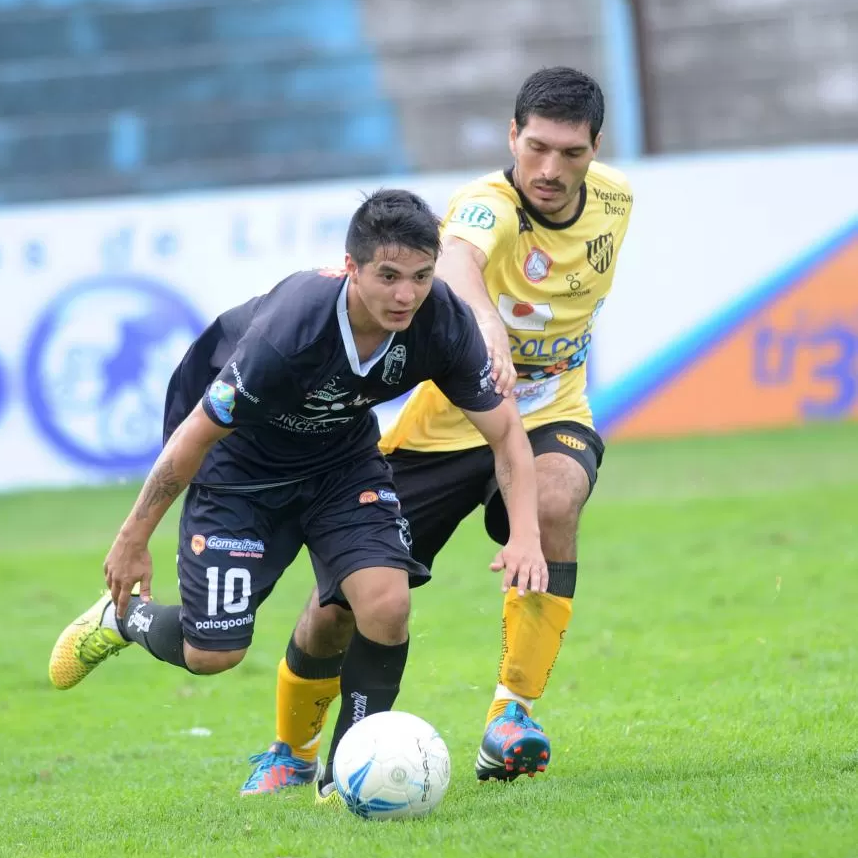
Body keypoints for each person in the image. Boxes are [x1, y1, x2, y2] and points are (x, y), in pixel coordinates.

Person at [48, 189, 548, 799]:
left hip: (341, 465)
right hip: (239, 470)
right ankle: (122, 620)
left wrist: (525, 534)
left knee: (386, 605)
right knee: (213, 654)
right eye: (388, 277)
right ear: (351, 267)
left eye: (419, 277)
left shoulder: (439, 318)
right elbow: (192, 439)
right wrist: (132, 539)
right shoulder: (291, 334)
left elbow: (507, 436)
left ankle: (346, 776)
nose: (405, 295)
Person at [245, 66, 633, 797]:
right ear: (512, 136)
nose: (550, 169)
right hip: (444, 426)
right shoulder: (487, 205)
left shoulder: (617, 199)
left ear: (595, 148)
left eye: (571, 153)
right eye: (536, 148)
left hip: (551, 411)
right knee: (342, 606)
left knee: (553, 503)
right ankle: (291, 750)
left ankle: (510, 715)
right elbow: (458, 259)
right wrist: (486, 324)